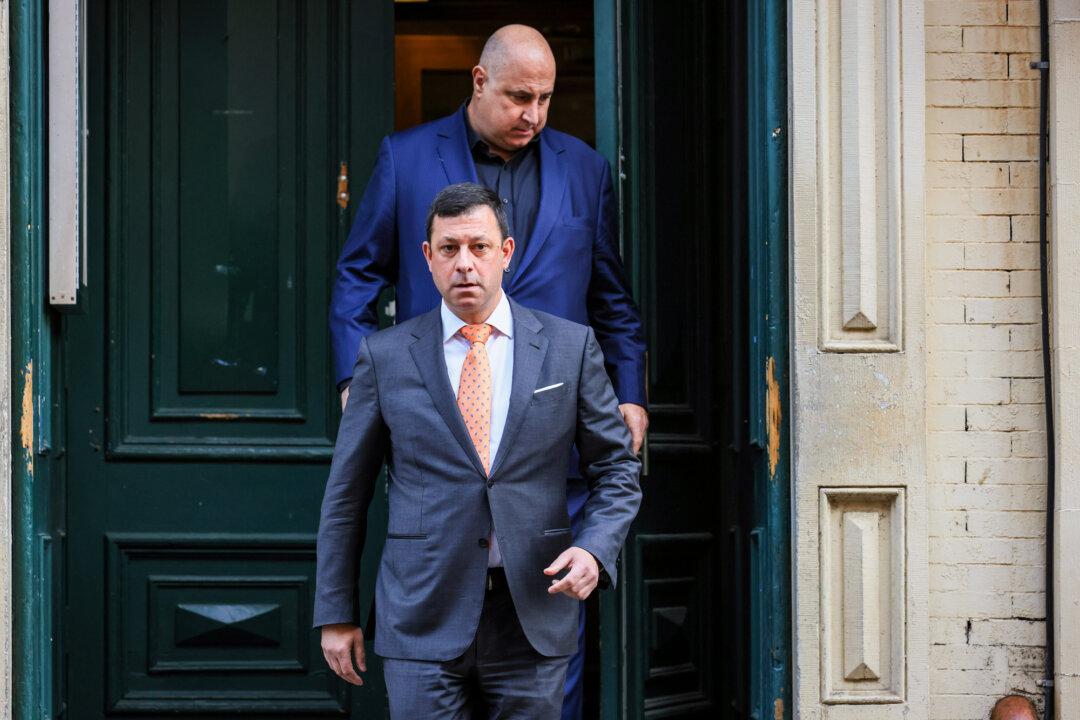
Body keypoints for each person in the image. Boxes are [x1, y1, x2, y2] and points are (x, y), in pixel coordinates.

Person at [329, 23, 648, 717]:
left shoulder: (586, 170)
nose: (533, 114)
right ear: (479, 82)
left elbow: (610, 297)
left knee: (547, 626)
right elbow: (358, 277)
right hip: (439, 426)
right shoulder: (407, 158)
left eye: (545, 99)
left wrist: (631, 394)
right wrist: (356, 381)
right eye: (518, 97)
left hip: (554, 434)